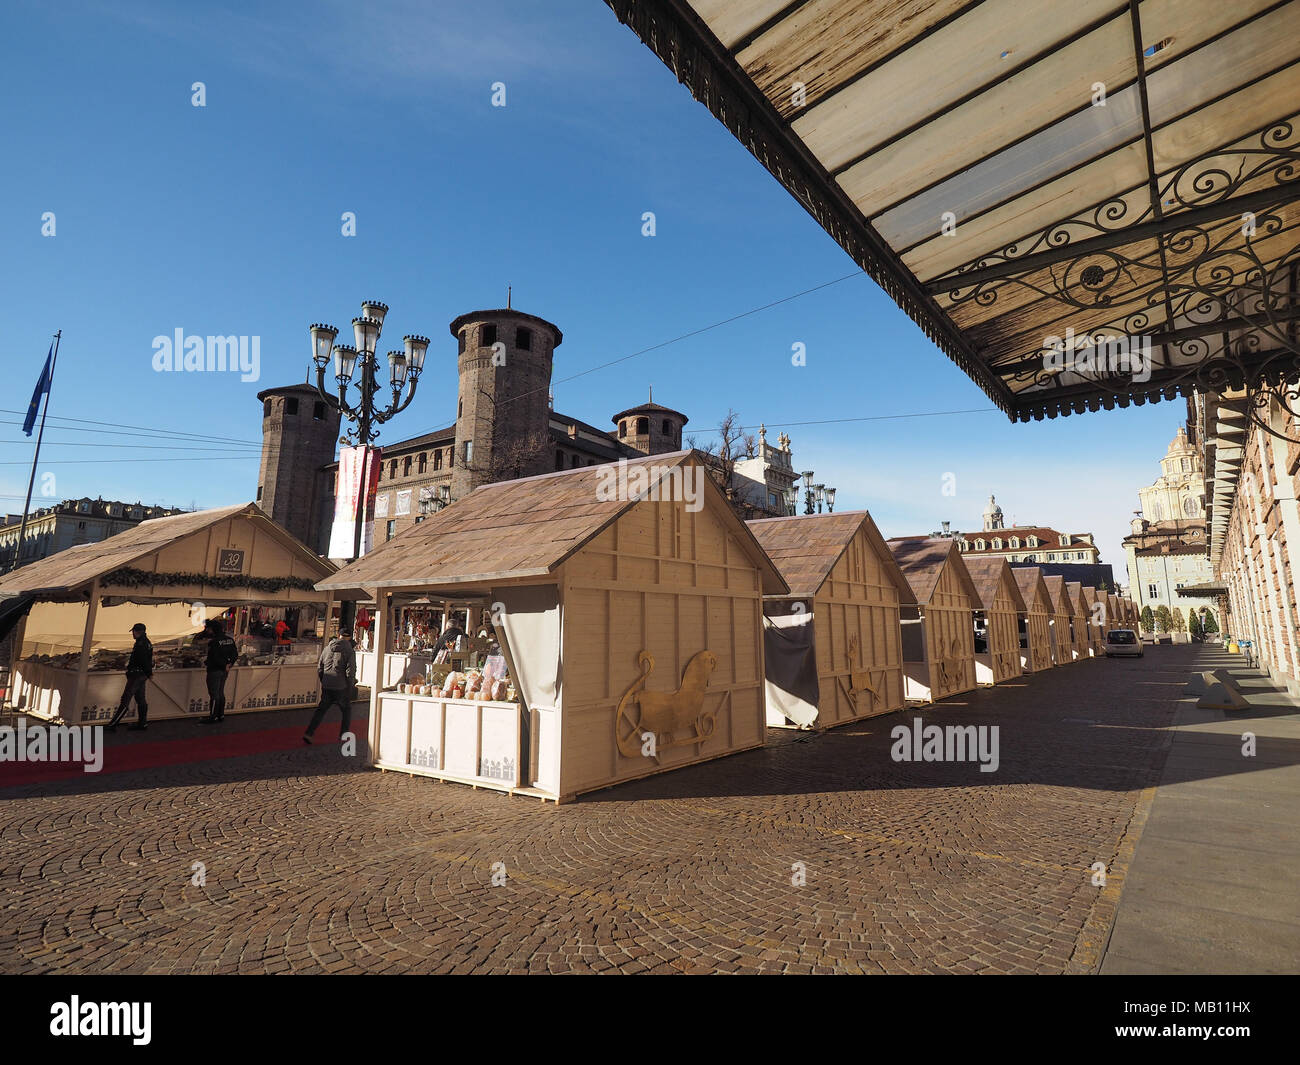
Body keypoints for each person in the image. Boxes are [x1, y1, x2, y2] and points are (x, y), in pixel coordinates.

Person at [304, 629, 357, 744]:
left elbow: (320, 667)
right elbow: (350, 672)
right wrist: (350, 686)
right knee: (346, 710)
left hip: (327, 684)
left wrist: (323, 680)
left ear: (339, 635)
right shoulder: (349, 651)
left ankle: (309, 732)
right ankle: (343, 736)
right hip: (341, 686)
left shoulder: (327, 648)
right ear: (349, 637)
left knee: (321, 710)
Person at [108, 623, 153, 731]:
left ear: (138, 632)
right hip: (141, 674)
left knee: (126, 698)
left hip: (136, 674)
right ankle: (142, 723)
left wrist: (131, 670)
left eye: (134, 631)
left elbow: (142, 660)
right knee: (140, 699)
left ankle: (113, 724)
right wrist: (148, 673)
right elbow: (147, 660)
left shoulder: (141, 644)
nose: (132, 634)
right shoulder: (146, 643)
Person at [198, 619, 239, 723]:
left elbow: (214, 657)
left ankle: (213, 716)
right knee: (220, 692)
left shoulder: (214, 642)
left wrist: (209, 663)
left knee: (214, 693)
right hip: (225, 670)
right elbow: (235, 654)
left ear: (212, 629)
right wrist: (229, 664)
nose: (207, 630)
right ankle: (221, 715)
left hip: (215, 670)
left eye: (208, 629)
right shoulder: (230, 640)